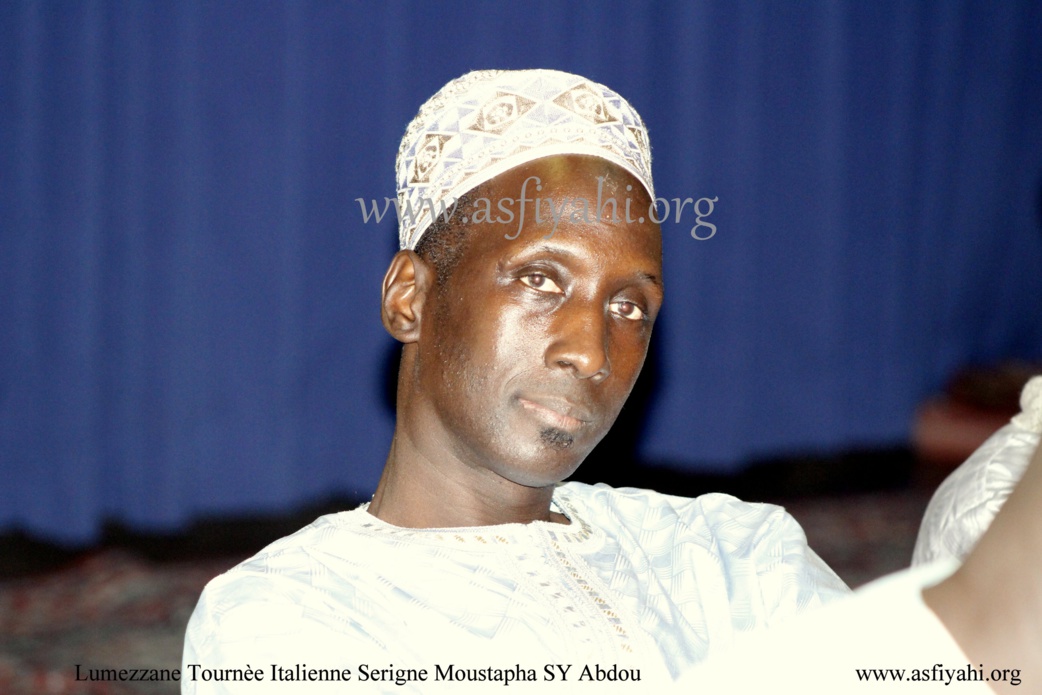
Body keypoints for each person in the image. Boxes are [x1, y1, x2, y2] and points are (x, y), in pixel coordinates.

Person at [183, 69, 1041, 693]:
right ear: (410, 297)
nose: (592, 351)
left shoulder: (728, 550)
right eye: (541, 280)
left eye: (630, 306)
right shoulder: (284, 619)